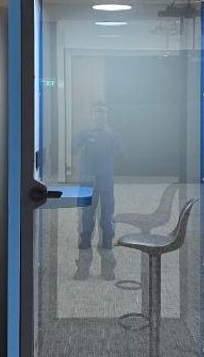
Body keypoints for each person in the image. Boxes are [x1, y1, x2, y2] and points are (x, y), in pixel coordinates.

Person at [72, 100, 122, 280]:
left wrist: (107, 134)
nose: (99, 115)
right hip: (86, 183)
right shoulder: (83, 134)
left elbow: (119, 152)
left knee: (107, 223)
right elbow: (72, 149)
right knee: (85, 223)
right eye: (96, 111)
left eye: (102, 111)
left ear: (107, 114)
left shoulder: (113, 135)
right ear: (91, 114)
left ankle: (107, 267)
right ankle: (83, 266)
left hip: (106, 183)